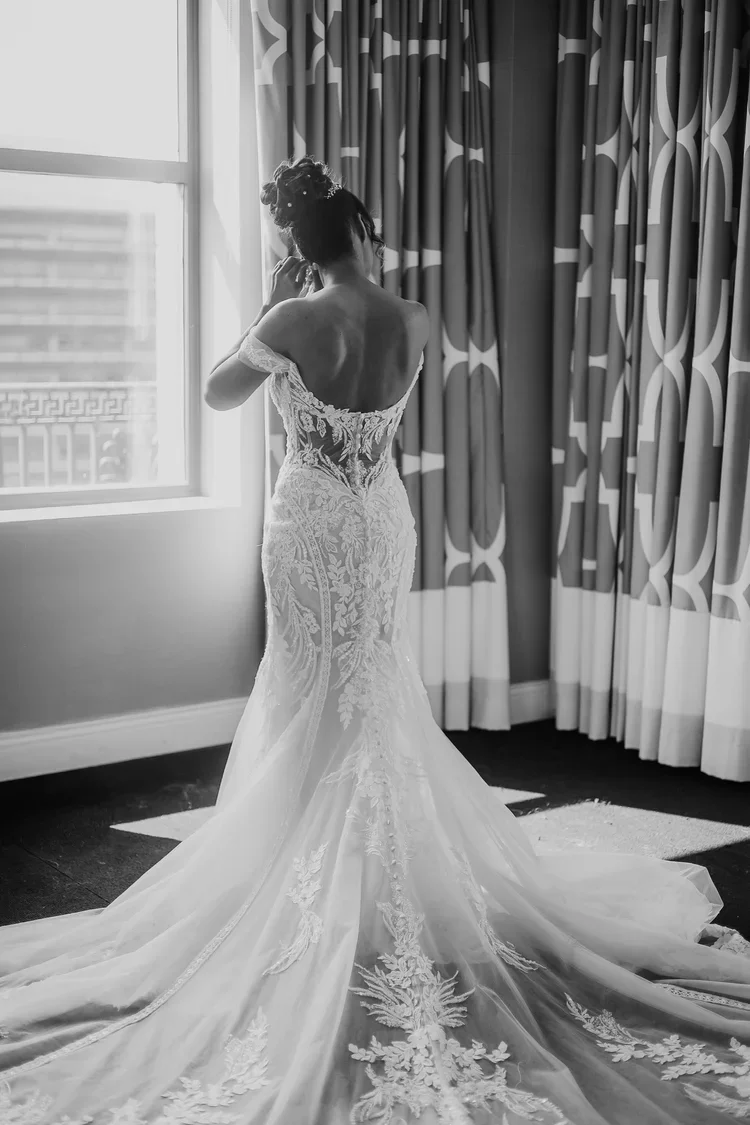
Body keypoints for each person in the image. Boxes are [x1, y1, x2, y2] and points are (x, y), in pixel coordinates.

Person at [1, 156, 749, 1125]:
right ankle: (370, 881)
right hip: (381, 520)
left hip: (309, 521)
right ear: (359, 231)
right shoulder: (417, 321)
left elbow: (218, 394)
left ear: (298, 248)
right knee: (376, 688)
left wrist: (270, 306)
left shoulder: (288, 322)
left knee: (306, 690)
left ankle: (304, 894)